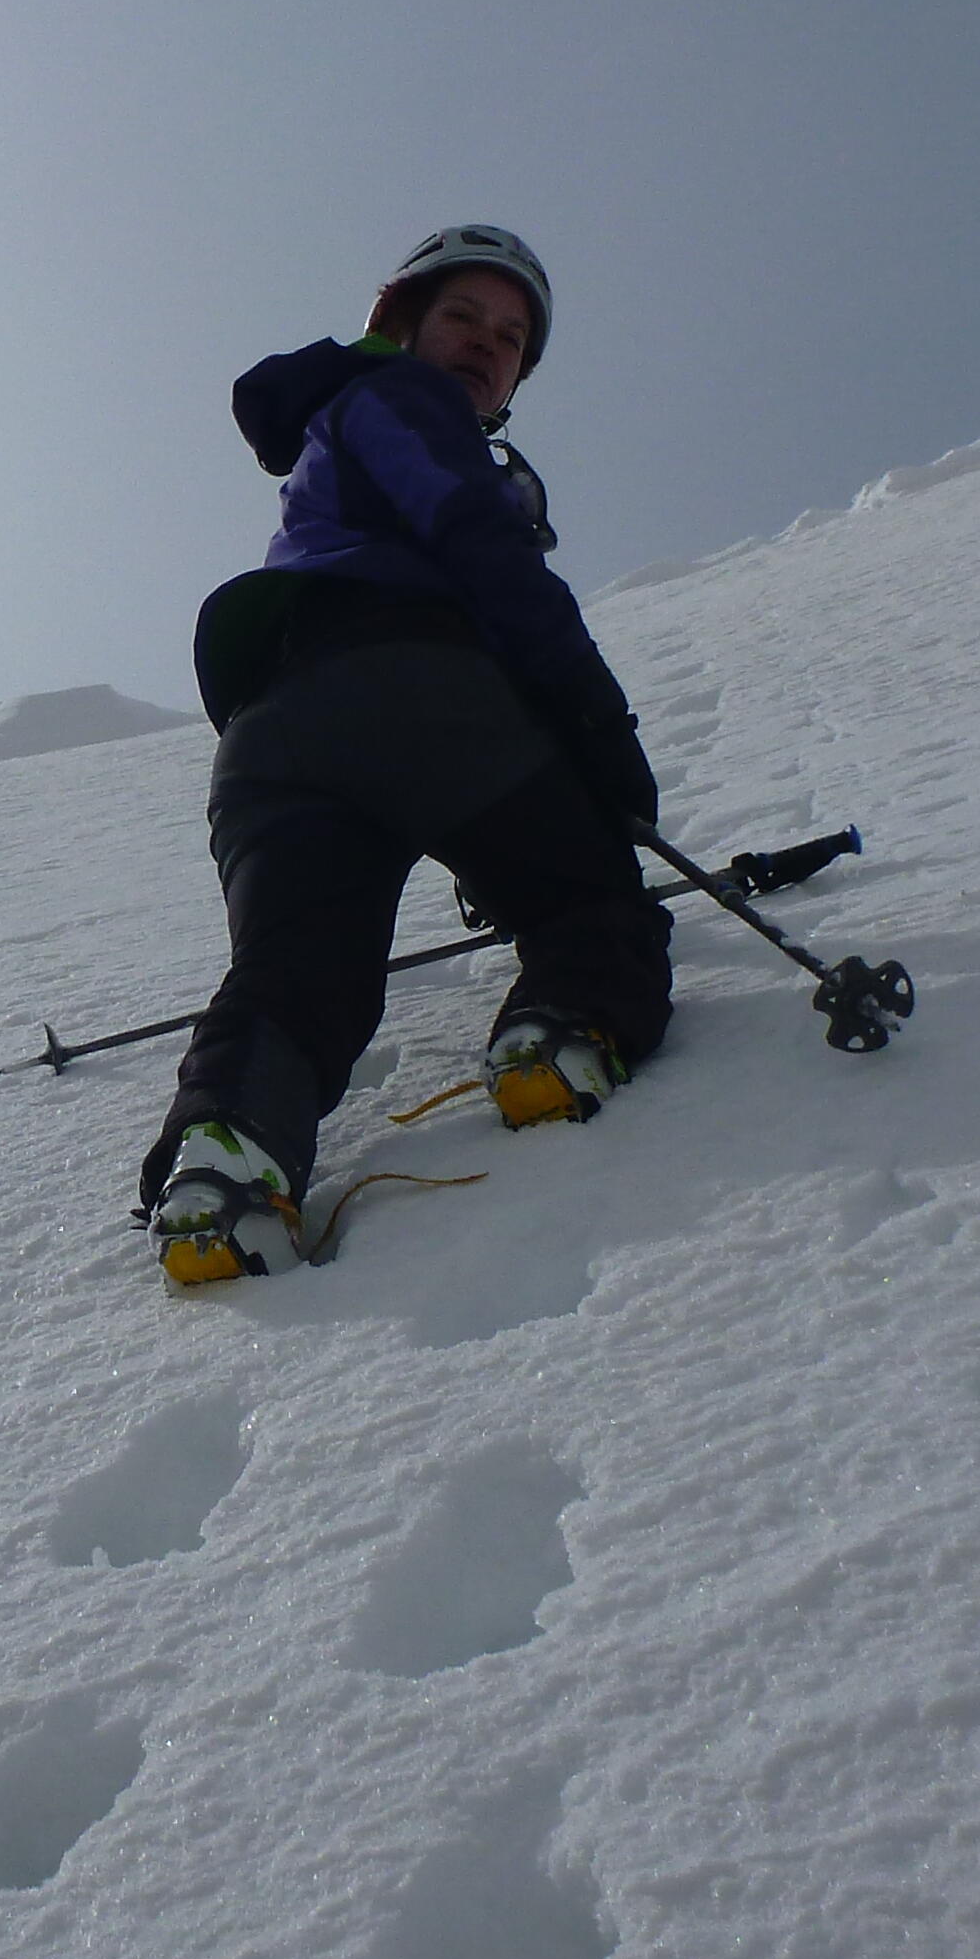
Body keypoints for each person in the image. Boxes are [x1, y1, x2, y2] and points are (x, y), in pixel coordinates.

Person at [140, 225, 674, 1285]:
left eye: (510, 338)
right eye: (463, 317)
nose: (485, 344)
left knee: (296, 972)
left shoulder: (338, 419)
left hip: (271, 736)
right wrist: (598, 729)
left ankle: (225, 1165)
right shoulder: (405, 399)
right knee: (590, 905)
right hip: (412, 690)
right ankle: (557, 1036)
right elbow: (480, 546)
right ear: (400, 324)